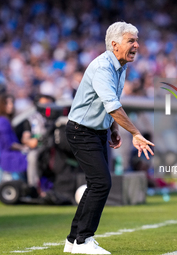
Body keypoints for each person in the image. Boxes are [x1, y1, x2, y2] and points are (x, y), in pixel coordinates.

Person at [63, 22, 154, 255]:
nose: (137, 45)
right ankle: (83, 240)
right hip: (81, 130)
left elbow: (109, 103)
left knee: (97, 184)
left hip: (97, 130)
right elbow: (113, 106)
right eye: (131, 41)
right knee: (102, 183)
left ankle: (74, 240)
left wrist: (112, 127)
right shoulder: (104, 67)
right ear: (114, 45)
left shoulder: (120, 66)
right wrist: (135, 132)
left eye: (137, 40)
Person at [0, 94, 39, 192]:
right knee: (35, 159)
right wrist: (23, 148)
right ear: (1, 106)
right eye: (7, 103)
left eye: (12, 103)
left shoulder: (1, 120)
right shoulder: (2, 122)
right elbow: (9, 144)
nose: (11, 105)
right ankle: (33, 188)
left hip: (9, 153)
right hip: (9, 155)